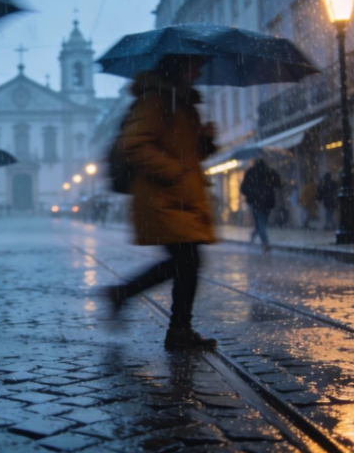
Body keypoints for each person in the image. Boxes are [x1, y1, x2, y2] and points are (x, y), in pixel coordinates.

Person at [101, 55, 218, 350]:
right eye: (195, 64)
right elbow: (134, 144)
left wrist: (204, 141)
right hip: (164, 195)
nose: (200, 69)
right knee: (186, 261)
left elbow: (184, 152)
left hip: (178, 196)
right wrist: (174, 172)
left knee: (186, 262)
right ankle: (170, 324)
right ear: (179, 67)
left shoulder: (179, 102)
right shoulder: (156, 100)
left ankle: (173, 325)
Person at [240, 159, 282, 253]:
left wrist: (251, 194)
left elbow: (243, 189)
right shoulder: (269, 172)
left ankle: (255, 238)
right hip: (267, 202)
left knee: (260, 223)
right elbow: (278, 183)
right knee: (262, 223)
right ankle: (264, 243)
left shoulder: (251, 173)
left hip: (256, 202)